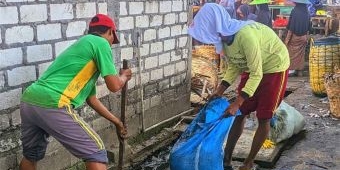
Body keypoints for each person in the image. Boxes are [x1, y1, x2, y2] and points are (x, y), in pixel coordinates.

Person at [19, 14, 132, 170]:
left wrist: (117, 122)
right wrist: (124, 77)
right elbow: (114, 86)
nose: (112, 44)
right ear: (110, 32)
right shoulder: (101, 42)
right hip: (53, 101)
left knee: (31, 156)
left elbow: (92, 100)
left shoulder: (82, 50)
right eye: (113, 39)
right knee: (96, 152)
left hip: (29, 100)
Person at [188, 3, 289, 170]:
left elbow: (257, 74)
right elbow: (235, 65)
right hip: (253, 67)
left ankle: (248, 162)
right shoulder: (225, 40)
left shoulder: (245, 35)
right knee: (239, 114)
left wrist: (237, 102)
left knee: (264, 116)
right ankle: (227, 158)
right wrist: (219, 91)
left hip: (274, 67)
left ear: (216, 25)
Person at [284, 0, 311, 77]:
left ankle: (290, 70)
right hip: (303, 37)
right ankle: (300, 72)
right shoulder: (307, 12)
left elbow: (291, 25)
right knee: (301, 55)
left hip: (294, 36)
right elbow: (309, 26)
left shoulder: (294, 11)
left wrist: (287, 39)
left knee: (291, 53)